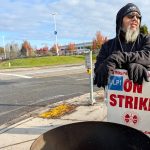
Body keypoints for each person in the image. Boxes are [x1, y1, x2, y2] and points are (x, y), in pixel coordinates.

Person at [94, 3, 150, 88]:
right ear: (120, 21)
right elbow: (98, 70)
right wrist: (105, 65)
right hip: (115, 99)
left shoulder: (146, 39)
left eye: (138, 17)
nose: (135, 19)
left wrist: (119, 58)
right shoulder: (107, 46)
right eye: (130, 16)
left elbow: (147, 55)